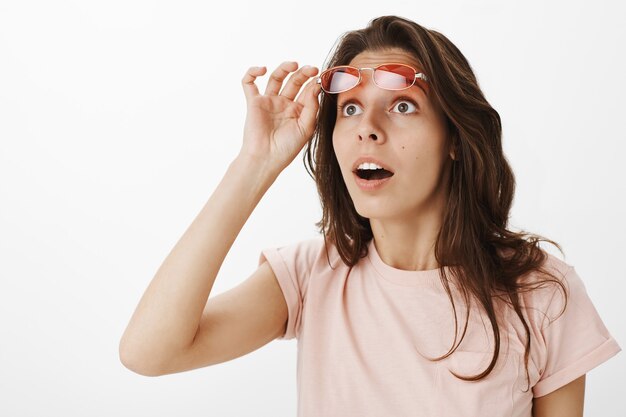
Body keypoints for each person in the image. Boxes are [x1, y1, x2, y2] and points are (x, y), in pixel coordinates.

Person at [119, 15, 621, 417]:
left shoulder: (541, 291)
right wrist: (254, 164)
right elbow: (149, 352)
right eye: (350, 109)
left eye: (402, 106)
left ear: (454, 139)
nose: (368, 129)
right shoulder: (308, 276)